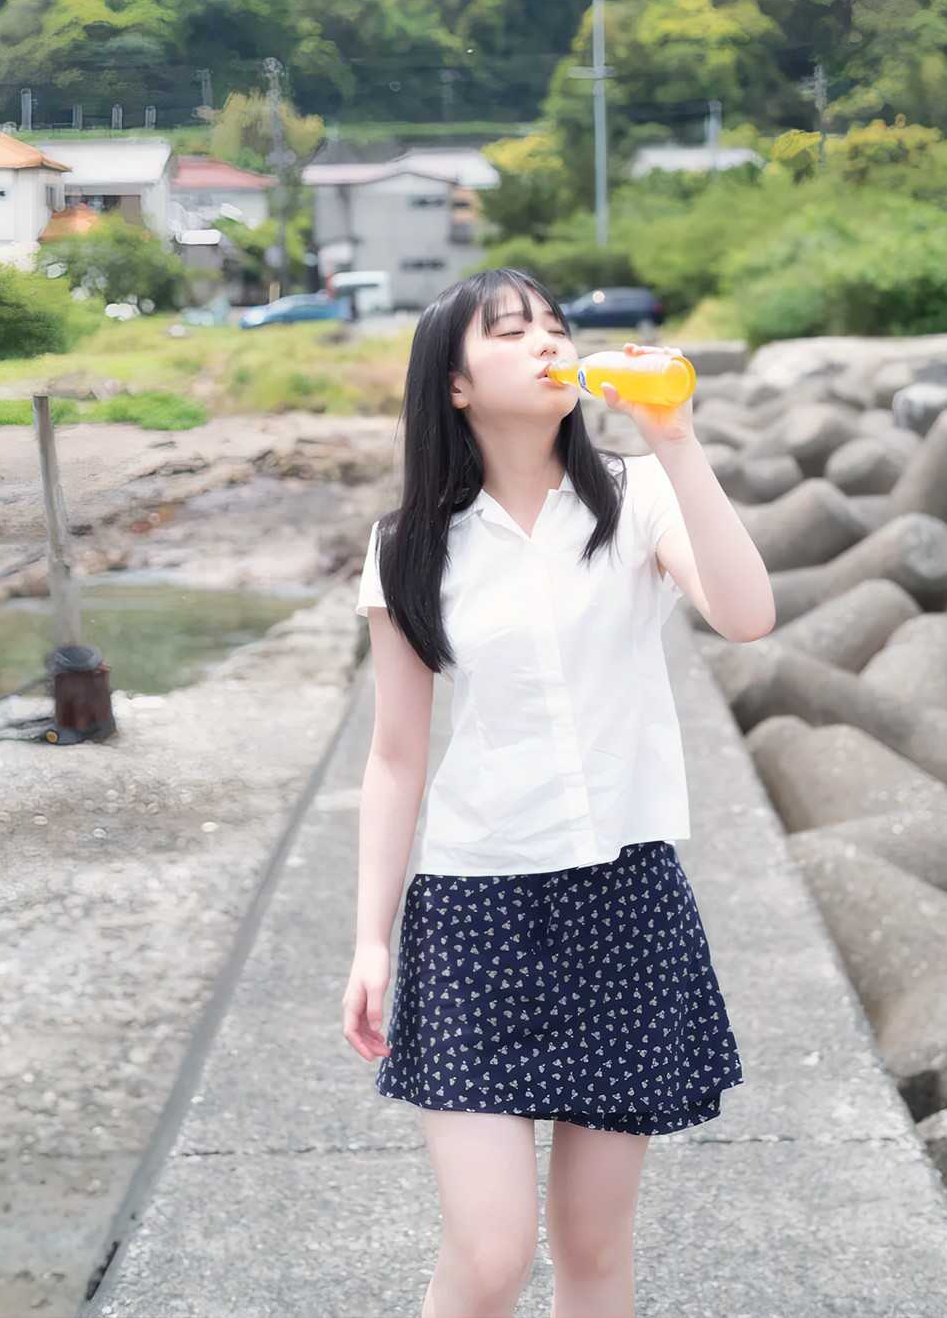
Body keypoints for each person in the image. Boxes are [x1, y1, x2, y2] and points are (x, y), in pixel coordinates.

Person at [343, 266, 774, 1318]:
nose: (546, 342)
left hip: (622, 900)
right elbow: (395, 756)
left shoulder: (635, 498)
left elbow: (746, 614)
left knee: (591, 1246)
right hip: (474, 909)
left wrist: (676, 439)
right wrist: (370, 939)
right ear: (454, 384)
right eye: (510, 331)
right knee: (491, 1252)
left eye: (553, 325)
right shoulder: (408, 546)